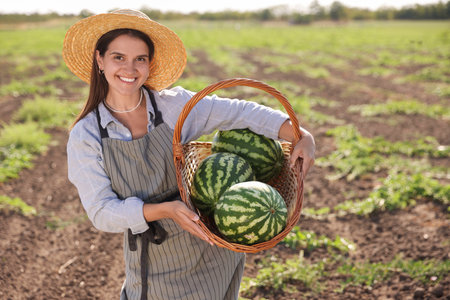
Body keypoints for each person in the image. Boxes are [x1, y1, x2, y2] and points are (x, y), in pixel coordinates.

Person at [63, 8, 315, 300]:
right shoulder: (88, 134)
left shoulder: (172, 106)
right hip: (160, 259)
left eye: (139, 59)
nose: (129, 69)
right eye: (118, 57)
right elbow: (101, 212)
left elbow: (240, 113)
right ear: (100, 60)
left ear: (149, 63)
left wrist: (300, 135)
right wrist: (166, 210)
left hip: (214, 243)